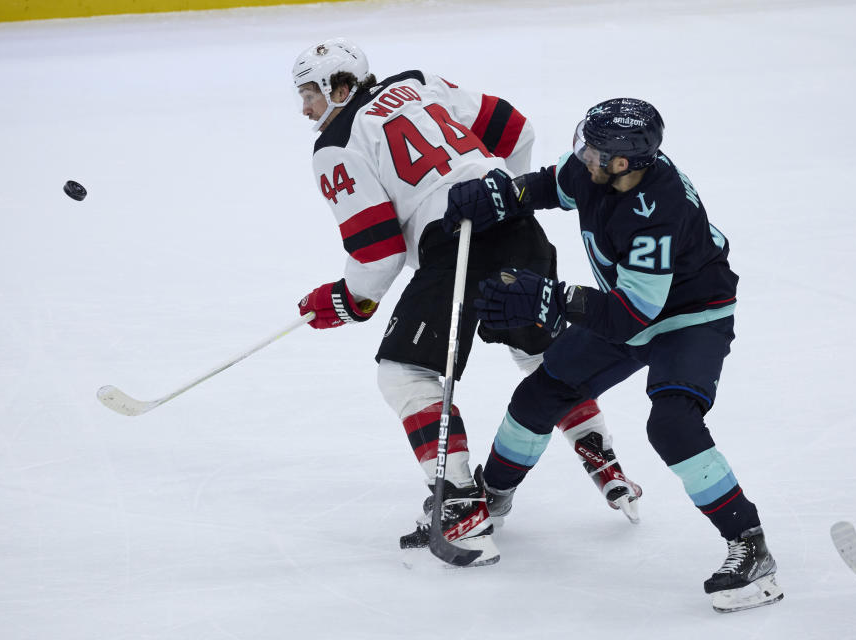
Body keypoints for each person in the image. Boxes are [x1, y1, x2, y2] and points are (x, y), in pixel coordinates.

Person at [291, 39, 642, 566]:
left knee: (405, 373)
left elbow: (377, 246)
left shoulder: (336, 144)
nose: (305, 111)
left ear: (338, 87)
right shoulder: (417, 83)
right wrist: (507, 198)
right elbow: (515, 127)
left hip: (455, 247)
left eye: (310, 95)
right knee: (543, 355)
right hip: (520, 230)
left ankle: (460, 509)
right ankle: (604, 461)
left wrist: (350, 300)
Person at [442, 97, 783, 610]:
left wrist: (552, 300)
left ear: (624, 163)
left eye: (594, 152)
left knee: (672, 424)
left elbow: (632, 318)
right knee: (538, 397)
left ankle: (750, 545)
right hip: (630, 305)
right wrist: (501, 195)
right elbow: (546, 186)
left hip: (689, 318)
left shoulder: (657, 210)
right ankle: (492, 498)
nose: (582, 156)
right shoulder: (595, 170)